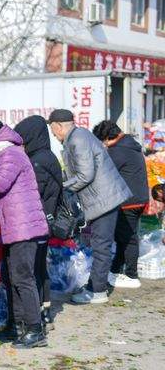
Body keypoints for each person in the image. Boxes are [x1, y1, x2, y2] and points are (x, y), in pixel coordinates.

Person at [0, 119, 49, 348]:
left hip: (23, 227)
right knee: (11, 279)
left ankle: (35, 330)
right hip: (13, 227)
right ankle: (17, 326)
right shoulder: (6, 152)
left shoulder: (10, 154)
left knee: (23, 278)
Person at [47, 110, 130, 304]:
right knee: (99, 242)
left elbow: (85, 175)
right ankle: (96, 285)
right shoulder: (77, 136)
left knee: (101, 244)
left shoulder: (77, 139)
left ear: (59, 126)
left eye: (53, 130)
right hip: (103, 197)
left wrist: (61, 187)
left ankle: (97, 291)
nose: (54, 135)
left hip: (104, 199)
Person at [14, 115, 63, 328]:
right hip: (45, 220)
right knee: (40, 267)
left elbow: (35, 193)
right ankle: (45, 310)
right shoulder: (47, 156)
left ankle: (40, 315)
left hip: (39, 220)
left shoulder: (38, 161)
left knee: (34, 270)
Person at [93, 120, 150, 289]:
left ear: (107, 138)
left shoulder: (118, 151)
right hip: (137, 198)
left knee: (128, 239)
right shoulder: (129, 145)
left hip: (128, 201)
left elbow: (102, 172)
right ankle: (117, 270)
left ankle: (131, 275)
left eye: (102, 141)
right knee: (124, 237)